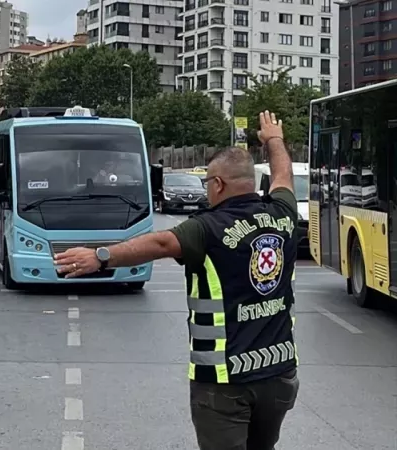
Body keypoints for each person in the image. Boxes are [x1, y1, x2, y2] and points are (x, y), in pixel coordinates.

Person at [54, 111, 300, 450]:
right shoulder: (282, 214)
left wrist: (99, 256)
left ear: (217, 185)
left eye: (207, 183)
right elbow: (283, 175)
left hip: (224, 382)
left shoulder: (208, 228)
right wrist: (274, 139)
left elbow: (159, 243)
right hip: (279, 374)